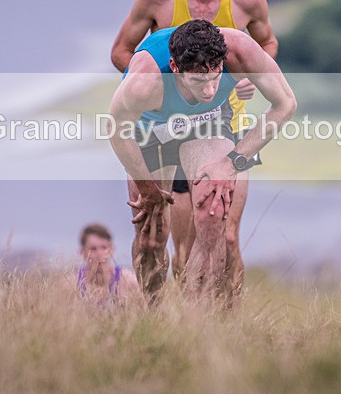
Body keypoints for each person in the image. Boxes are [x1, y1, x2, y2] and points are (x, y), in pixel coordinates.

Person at [110, 0, 278, 304]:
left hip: (218, 124)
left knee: (225, 232)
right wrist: (156, 91)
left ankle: (223, 321)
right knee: (156, 236)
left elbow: (266, 44)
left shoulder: (248, 1)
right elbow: (121, 53)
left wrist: (241, 80)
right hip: (159, 126)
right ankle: (157, 320)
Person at [108, 20, 295, 303]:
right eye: (197, 81)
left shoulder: (240, 51)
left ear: (223, 61)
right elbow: (117, 131)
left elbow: (286, 104)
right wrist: (147, 188)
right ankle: (153, 316)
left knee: (213, 214)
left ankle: (196, 321)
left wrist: (232, 163)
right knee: (151, 236)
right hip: (151, 129)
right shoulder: (145, 81)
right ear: (174, 68)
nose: (209, 91)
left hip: (207, 122)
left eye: (215, 77)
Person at [74, 223, 142, 307]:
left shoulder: (128, 281)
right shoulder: (71, 285)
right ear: (82, 252)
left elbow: (147, 315)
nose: (99, 254)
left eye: (104, 248)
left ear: (111, 249)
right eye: (93, 249)